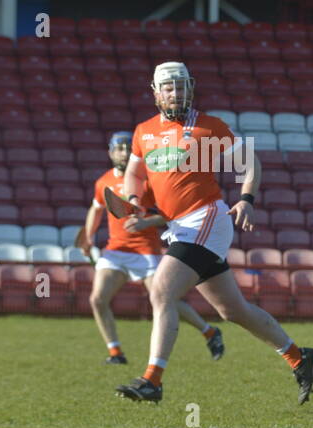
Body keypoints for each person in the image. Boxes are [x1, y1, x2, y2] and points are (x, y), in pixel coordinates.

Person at [114, 61, 313, 404]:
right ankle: (299, 356)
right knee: (232, 311)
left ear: (190, 88)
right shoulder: (143, 132)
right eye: (168, 87)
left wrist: (247, 200)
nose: (175, 93)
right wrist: (133, 200)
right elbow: (133, 175)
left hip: (206, 219)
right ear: (156, 93)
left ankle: (152, 381)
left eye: (181, 86)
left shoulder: (209, 128)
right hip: (179, 227)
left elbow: (250, 163)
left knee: (162, 291)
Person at [79, 132, 224, 365]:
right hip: (115, 250)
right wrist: (88, 237)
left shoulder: (148, 180)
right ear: (110, 152)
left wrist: (147, 222)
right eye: (120, 148)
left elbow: (171, 214)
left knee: (164, 299)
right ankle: (116, 352)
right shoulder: (103, 181)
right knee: (97, 299)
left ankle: (209, 331)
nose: (125, 152)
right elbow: (95, 210)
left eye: (129, 148)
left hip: (146, 250)